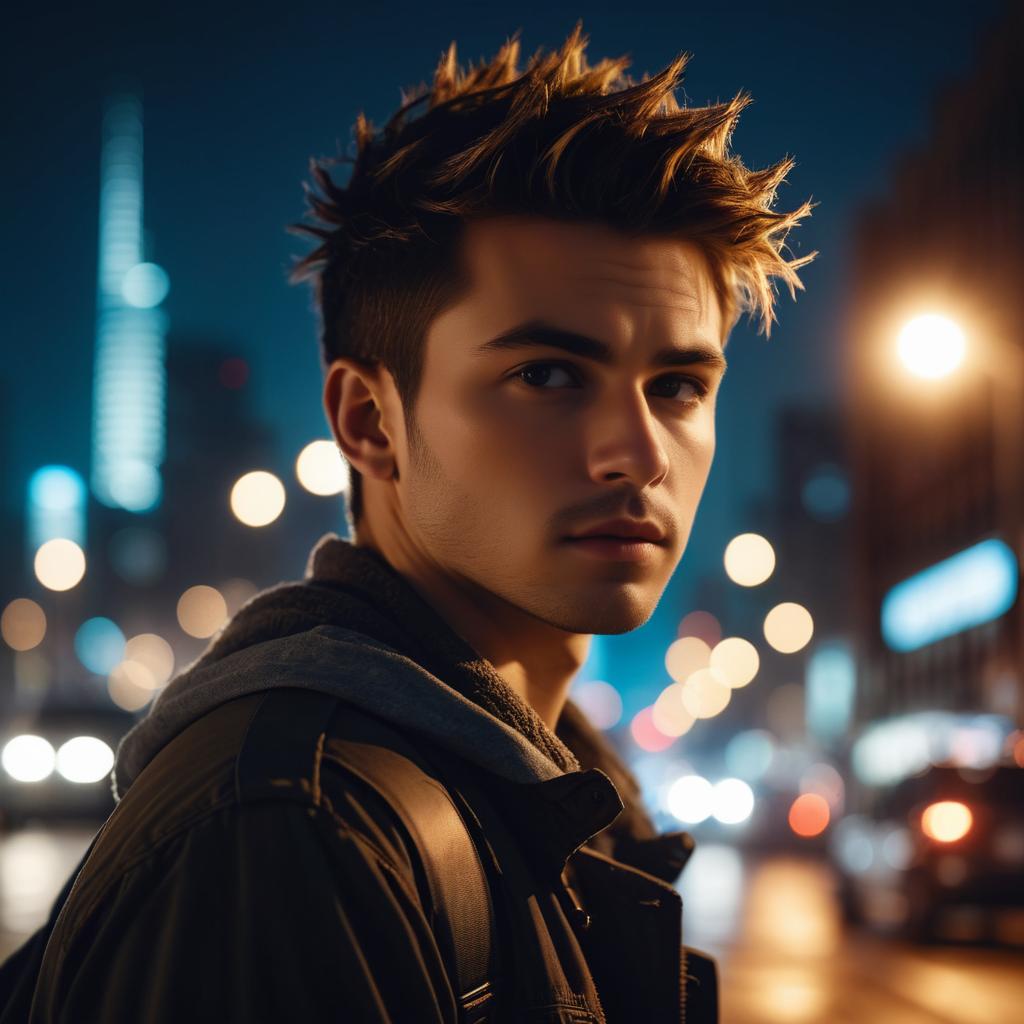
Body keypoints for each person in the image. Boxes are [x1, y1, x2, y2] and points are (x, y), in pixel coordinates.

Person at [0, 20, 814, 1023]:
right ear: (367, 420)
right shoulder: (293, 831)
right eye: (548, 374)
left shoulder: (546, 795)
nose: (638, 453)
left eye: (680, 385)